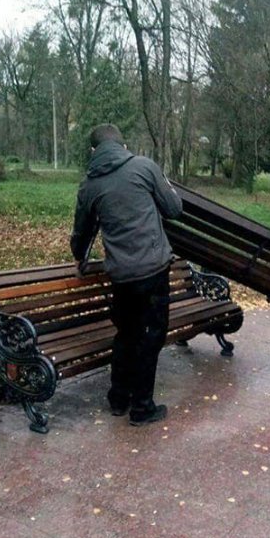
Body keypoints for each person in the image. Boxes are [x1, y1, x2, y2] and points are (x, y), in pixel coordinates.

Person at [71, 124, 182, 425]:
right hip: (153, 269)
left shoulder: (89, 186)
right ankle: (142, 408)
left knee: (126, 334)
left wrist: (79, 257)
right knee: (151, 336)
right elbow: (174, 209)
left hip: (121, 275)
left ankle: (118, 398)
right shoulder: (144, 167)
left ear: (93, 151)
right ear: (123, 145)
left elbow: (82, 233)